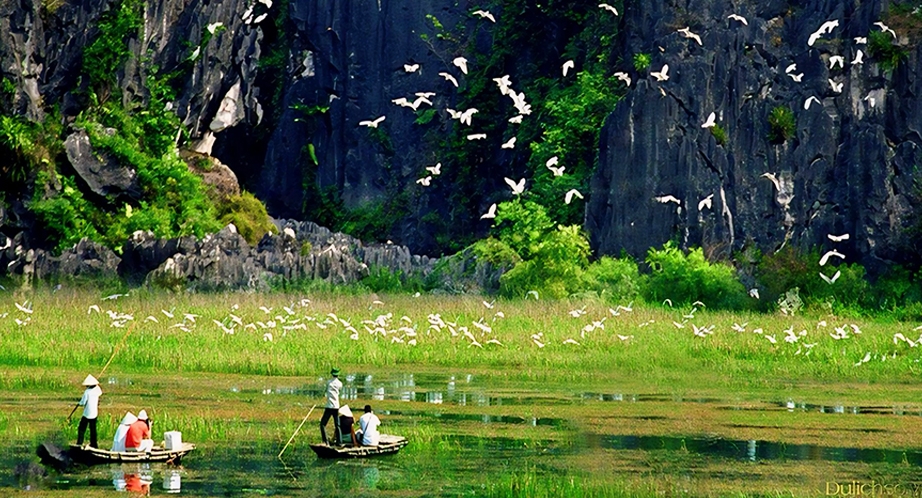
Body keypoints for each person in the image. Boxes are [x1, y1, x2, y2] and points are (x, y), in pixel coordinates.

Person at [76, 374, 102, 448]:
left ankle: (79, 443)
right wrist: (97, 386)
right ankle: (94, 444)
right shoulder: (97, 389)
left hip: (87, 413)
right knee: (93, 429)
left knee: (81, 428)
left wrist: (79, 403)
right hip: (94, 413)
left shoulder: (87, 392)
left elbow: (83, 402)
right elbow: (100, 393)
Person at [320, 367, 343, 445]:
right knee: (337, 425)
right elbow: (339, 391)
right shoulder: (340, 383)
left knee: (322, 424)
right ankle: (339, 442)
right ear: (338, 375)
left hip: (329, 406)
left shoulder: (329, 383)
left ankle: (325, 441)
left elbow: (325, 391)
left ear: (332, 374)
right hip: (336, 406)